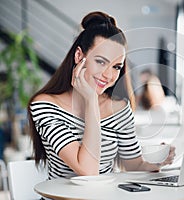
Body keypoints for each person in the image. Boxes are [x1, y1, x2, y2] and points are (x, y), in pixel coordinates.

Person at [27, 11, 175, 179]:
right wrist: (91, 101)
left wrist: (157, 162)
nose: (108, 75)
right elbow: (88, 171)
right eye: (101, 62)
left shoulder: (119, 108)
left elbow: (132, 164)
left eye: (116, 67)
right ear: (79, 56)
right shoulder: (45, 106)